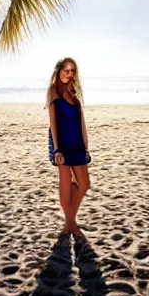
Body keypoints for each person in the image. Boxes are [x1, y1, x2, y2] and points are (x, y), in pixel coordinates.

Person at [46, 57, 91, 240]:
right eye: (66, 70)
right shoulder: (53, 91)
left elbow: (82, 123)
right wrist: (56, 149)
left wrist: (86, 146)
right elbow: (53, 122)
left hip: (78, 144)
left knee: (84, 184)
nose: (69, 74)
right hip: (62, 144)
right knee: (66, 184)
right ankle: (71, 224)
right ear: (59, 71)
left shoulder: (74, 95)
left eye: (73, 71)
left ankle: (69, 222)